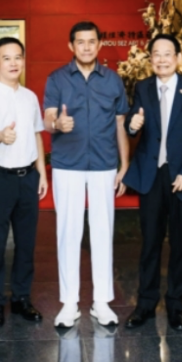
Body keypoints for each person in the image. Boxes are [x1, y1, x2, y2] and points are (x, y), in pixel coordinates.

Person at [43, 21, 130, 328]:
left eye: (92, 41)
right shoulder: (57, 79)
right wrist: (57, 125)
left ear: (99, 44)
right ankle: (69, 302)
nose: (86, 47)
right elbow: (48, 117)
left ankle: (101, 301)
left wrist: (124, 165)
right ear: (71, 46)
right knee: (68, 231)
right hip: (68, 164)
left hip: (104, 164)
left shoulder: (113, 80)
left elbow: (120, 124)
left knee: (103, 232)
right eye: (80, 42)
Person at [122, 34, 182, 332]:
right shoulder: (143, 87)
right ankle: (145, 303)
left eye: (167, 53)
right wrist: (132, 124)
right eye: (156, 54)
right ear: (150, 59)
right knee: (150, 243)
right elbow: (133, 121)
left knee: (181, 243)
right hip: (152, 175)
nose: (161, 59)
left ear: (178, 58)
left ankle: (175, 305)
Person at [0, 37, 48, 327]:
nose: (13, 63)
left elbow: (37, 134)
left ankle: (21, 298)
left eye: (18, 57)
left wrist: (41, 173)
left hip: (27, 178)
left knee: (26, 244)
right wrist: (0, 136)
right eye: (7, 58)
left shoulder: (29, 97)